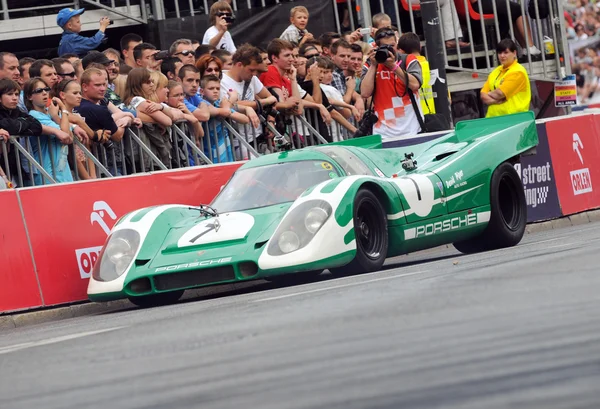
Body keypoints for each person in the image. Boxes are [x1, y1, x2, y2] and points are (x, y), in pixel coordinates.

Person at [360, 28, 423, 140]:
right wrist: (374, 65)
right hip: (383, 133)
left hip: (412, 129)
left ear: (397, 44)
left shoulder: (408, 59)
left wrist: (393, 67)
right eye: (385, 47)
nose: (390, 50)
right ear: (377, 47)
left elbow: (415, 85)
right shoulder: (371, 64)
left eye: (392, 45)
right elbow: (365, 93)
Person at [24, 77, 75, 184]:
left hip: (62, 170)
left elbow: (70, 137)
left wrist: (56, 116)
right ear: (29, 96)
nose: (44, 93)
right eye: (39, 91)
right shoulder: (34, 115)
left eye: (46, 89)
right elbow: (65, 134)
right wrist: (63, 109)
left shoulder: (51, 113)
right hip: (47, 171)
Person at [55, 79, 97, 179]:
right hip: (72, 171)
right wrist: (87, 177)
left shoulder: (77, 115)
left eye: (80, 93)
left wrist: (93, 175)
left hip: (86, 165)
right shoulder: (59, 117)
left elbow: (87, 147)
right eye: (75, 93)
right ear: (62, 95)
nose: (79, 96)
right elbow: (72, 153)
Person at [202, 74, 249, 162]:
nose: (215, 91)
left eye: (218, 88)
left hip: (225, 148)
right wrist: (231, 100)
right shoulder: (202, 104)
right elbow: (223, 111)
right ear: (202, 91)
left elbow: (245, 119)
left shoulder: (219, 104)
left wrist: (226, 110)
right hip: (210, 152)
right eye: (211, 88)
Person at [480, 38, 531, 117]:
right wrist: (496, 100)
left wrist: (489, 94)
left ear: (514, 53)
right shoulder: (495, 71)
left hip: (513, 119)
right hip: (493, 119)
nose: (502, 56)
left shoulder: (518, 72)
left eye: (506, 52)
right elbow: (483, 96)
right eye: (500, 53)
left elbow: (500, 93)